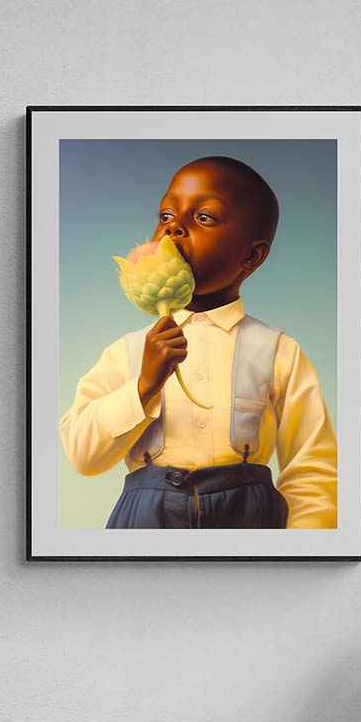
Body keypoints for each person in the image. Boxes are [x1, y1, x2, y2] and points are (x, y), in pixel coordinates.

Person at [59, 156, 338, 529]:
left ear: (252, 256)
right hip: (145, 521)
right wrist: (144, 386)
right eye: (166, 216)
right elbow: (82, 454)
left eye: (204, 217)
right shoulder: (126, 351)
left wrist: (302, 551)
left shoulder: (278, 351)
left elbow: (313, 468)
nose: (174, 229)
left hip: (250, 520)